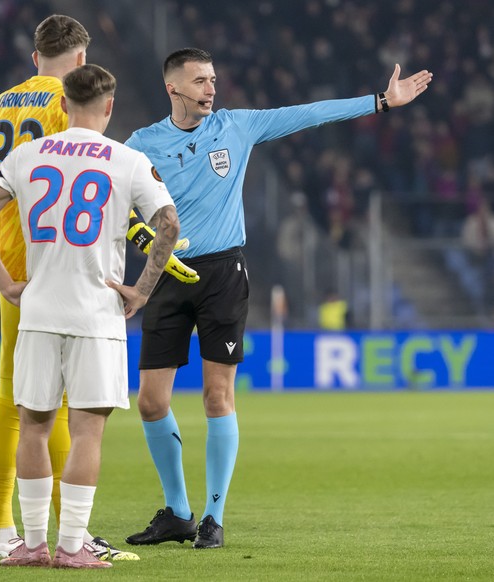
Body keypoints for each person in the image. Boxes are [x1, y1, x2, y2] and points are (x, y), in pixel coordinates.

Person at [123, 47, 432, 549]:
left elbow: (307, 115)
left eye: (213, 79)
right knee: (151, 402)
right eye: (200, 81)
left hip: (223, 271)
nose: (210, 89)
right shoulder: (140, 144)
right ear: (172, 88)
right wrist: (140, 246)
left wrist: (379, 101)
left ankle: (213, 518)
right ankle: (177, 511)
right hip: (165, 273)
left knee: (216, 395)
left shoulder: (236, 126)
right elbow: (113, 200)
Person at [0, 15, 196, 562]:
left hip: (21, 274)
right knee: (73, 419)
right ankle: (72, 536)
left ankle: (8, 534)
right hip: (84, 281)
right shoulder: (77, 114)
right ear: (88, 76)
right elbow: (99, 184)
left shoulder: (0, 106)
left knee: (14, 404)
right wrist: (143, 259)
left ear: (35, 57)